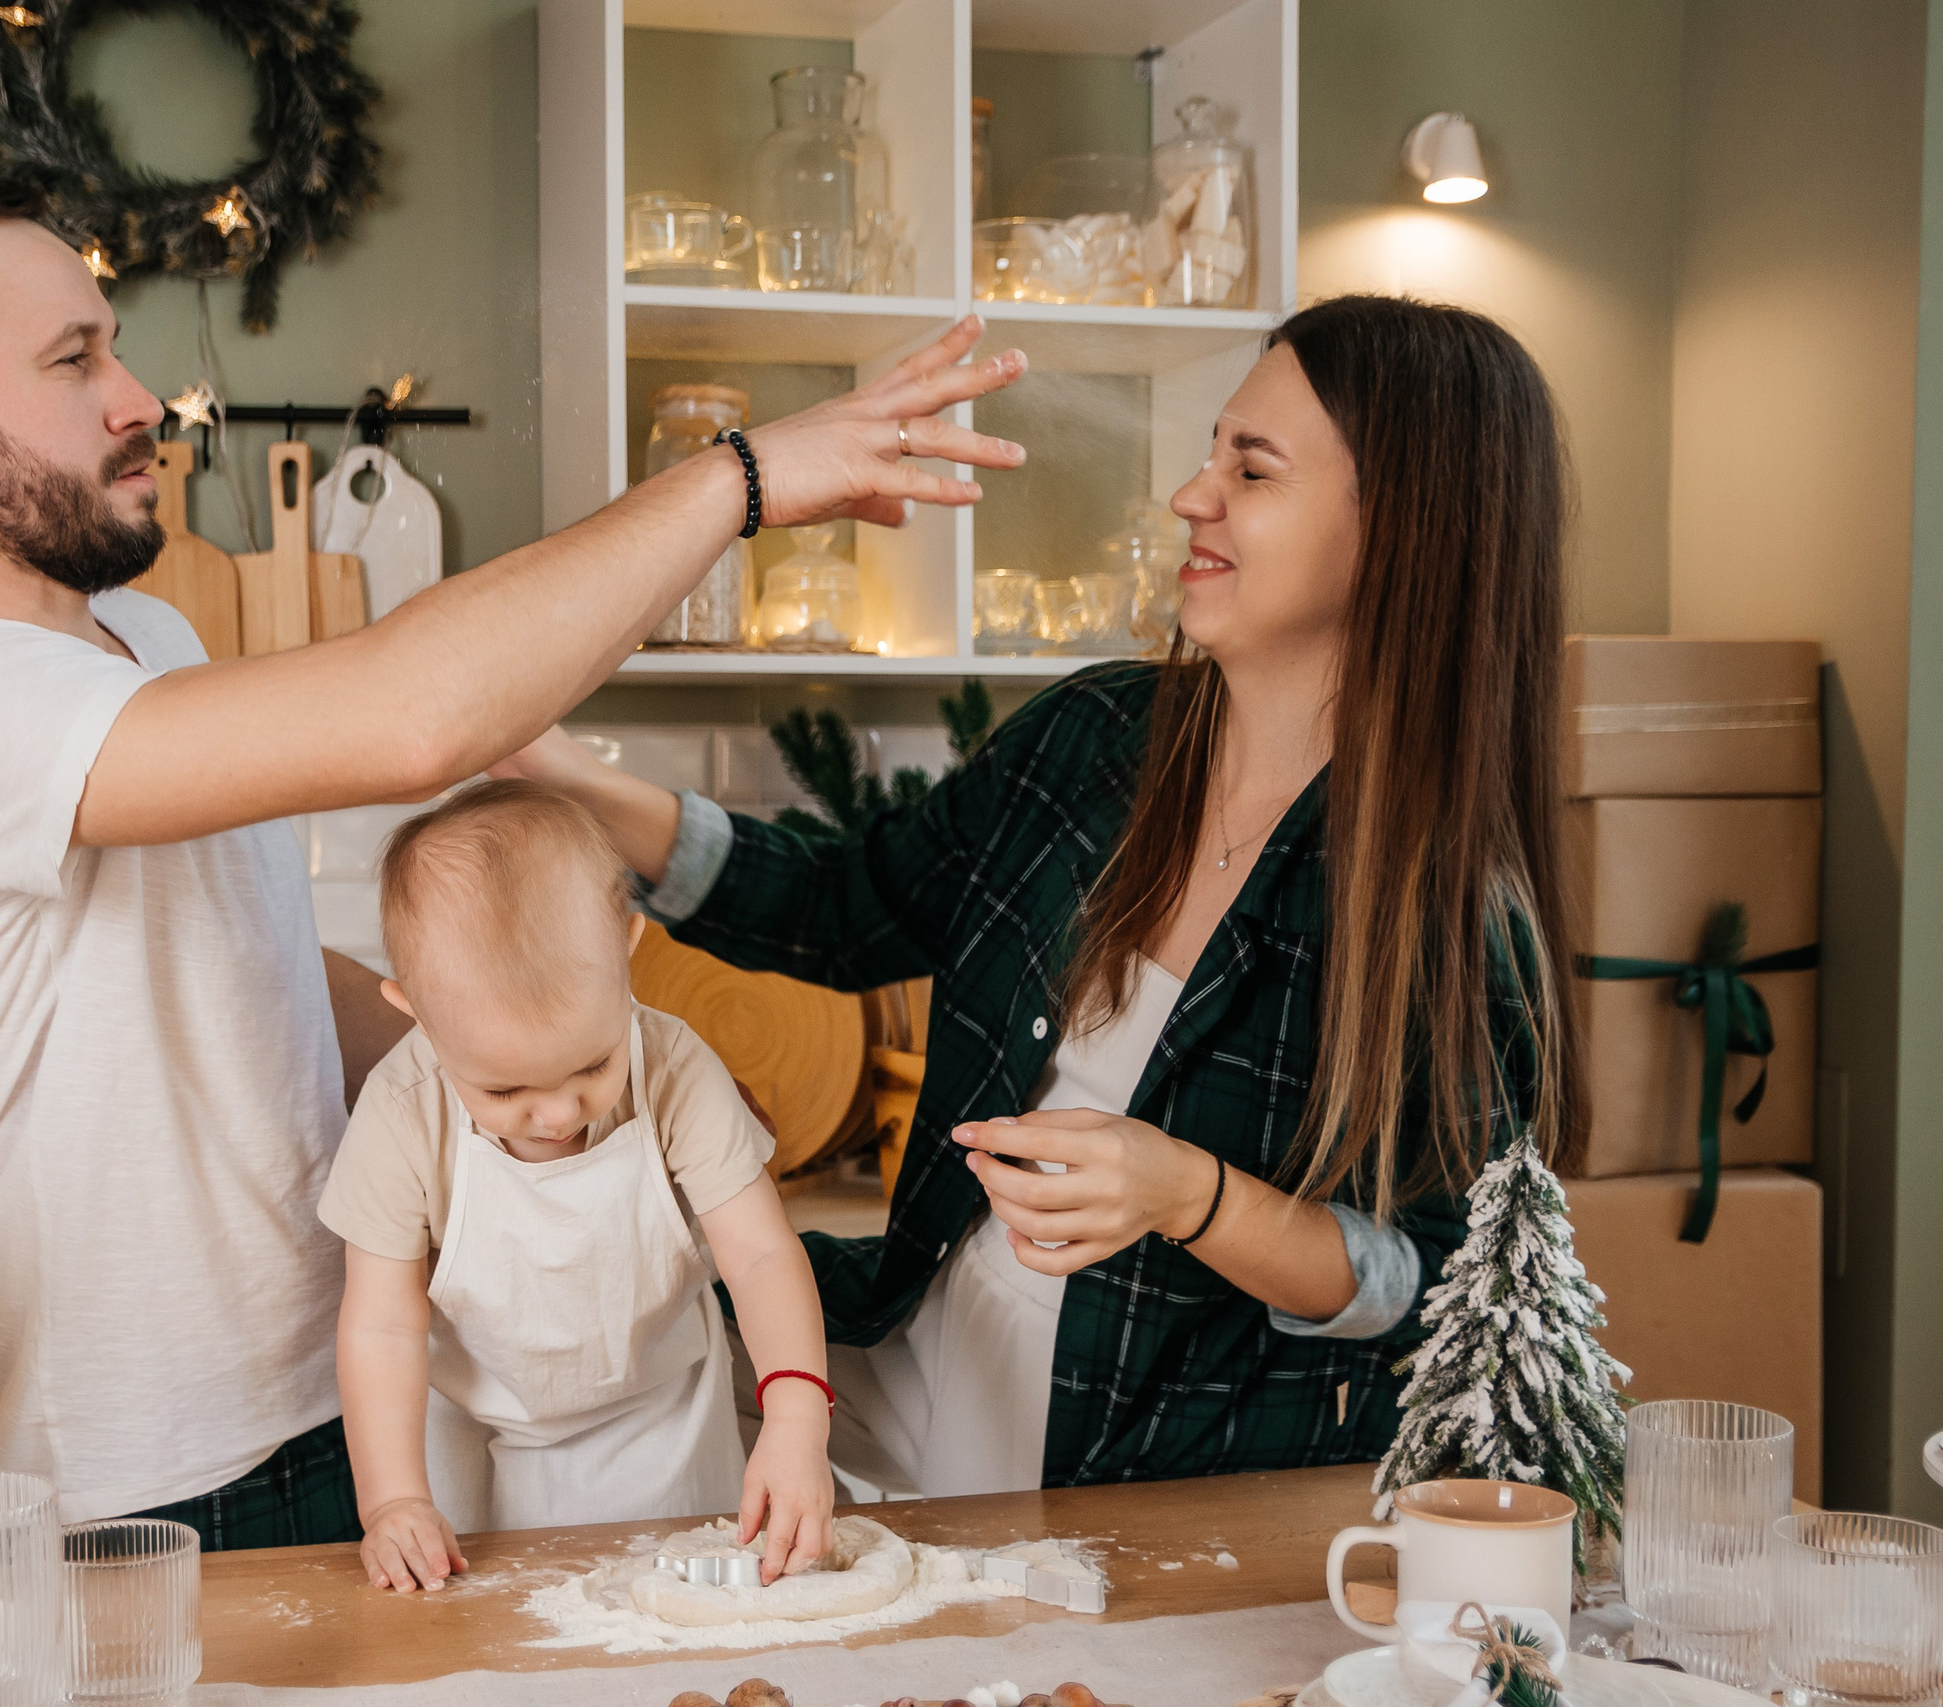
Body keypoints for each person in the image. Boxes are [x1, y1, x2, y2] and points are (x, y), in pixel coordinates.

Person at [0, 178, 1027, 1543]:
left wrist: (573, 1064)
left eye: (113, 343)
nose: (138, 397)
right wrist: (745, 480)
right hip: (145, 1470)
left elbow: (243, 976)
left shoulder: (147, 637)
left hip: (347, 1391)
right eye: (74, 359)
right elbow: (422, 714)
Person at [496, 294, 1583, 1497]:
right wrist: (567, 780)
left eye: (1252, 469)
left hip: (1145, 1472)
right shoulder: (1093, 737)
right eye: (1211, 449)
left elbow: (1427, 1282)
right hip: (913, 1367)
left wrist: (1190, 1195)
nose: (1191, 495)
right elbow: (848, 903)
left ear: (1402, 534)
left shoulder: (1448, 914)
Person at [327, 782, 833, 1592]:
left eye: (594, 1064)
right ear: (416, 1013)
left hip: (666, 1428)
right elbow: (382, 1326)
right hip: (480, 1447)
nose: (559, 1112)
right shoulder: (398, 1114)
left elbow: (764, 1255)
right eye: (504, 1091)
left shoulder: (673, 1066)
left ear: (627, 948)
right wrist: (392, 1499)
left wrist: (798, 1416)